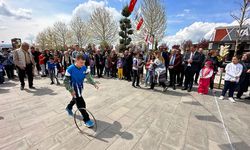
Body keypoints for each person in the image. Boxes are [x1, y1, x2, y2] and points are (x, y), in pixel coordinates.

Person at [64, 54, 99, 127]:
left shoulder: (84, 67)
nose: (82, 64)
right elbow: (65, 81)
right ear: (76, 60)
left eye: (83, 62)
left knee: (75, 99)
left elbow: (88, 77)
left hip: (80, 87)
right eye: (81, 62)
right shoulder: (70, 69)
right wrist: (71, 90)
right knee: (81, 103)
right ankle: (86, 120)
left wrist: (94, 83)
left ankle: (69, 107)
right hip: (74, 88)